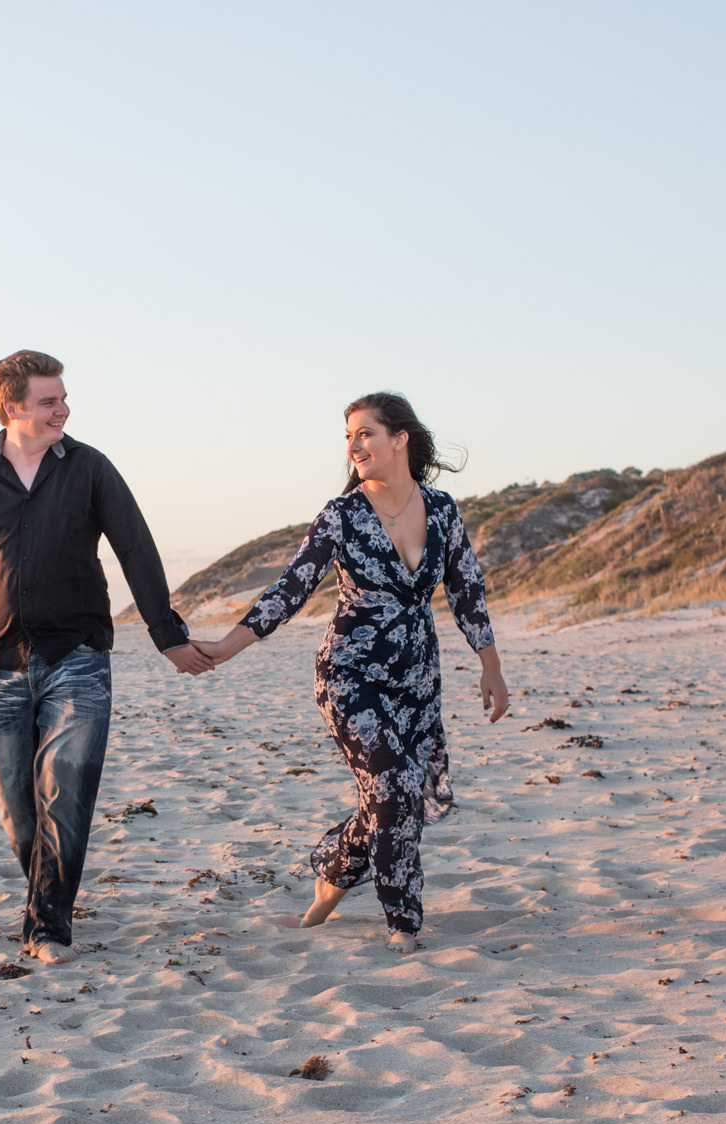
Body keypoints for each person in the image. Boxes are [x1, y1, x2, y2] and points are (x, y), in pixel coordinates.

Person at [195, 392, 510, 953]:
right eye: (349, 437)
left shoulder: (442, 510)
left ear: (400, 439)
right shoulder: (341, 516)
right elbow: (290, 590)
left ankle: (328, 886)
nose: (354, 445)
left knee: (393, 798)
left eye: (366, 433)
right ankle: (403, 925)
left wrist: (491, 666)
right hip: (350, 674)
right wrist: (225, 647)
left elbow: (467, 591)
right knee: (393, 788)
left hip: (416, 680)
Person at [0, 350, 214, 964]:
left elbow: (136, 548)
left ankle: (47, 926)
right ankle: (48, 895)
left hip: (79, 659)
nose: (64, 409)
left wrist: (167, 635)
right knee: (13, 803)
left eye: (63, 398)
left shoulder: (90, 468)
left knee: (68, 796)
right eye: (49, 401)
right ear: (14, 408)